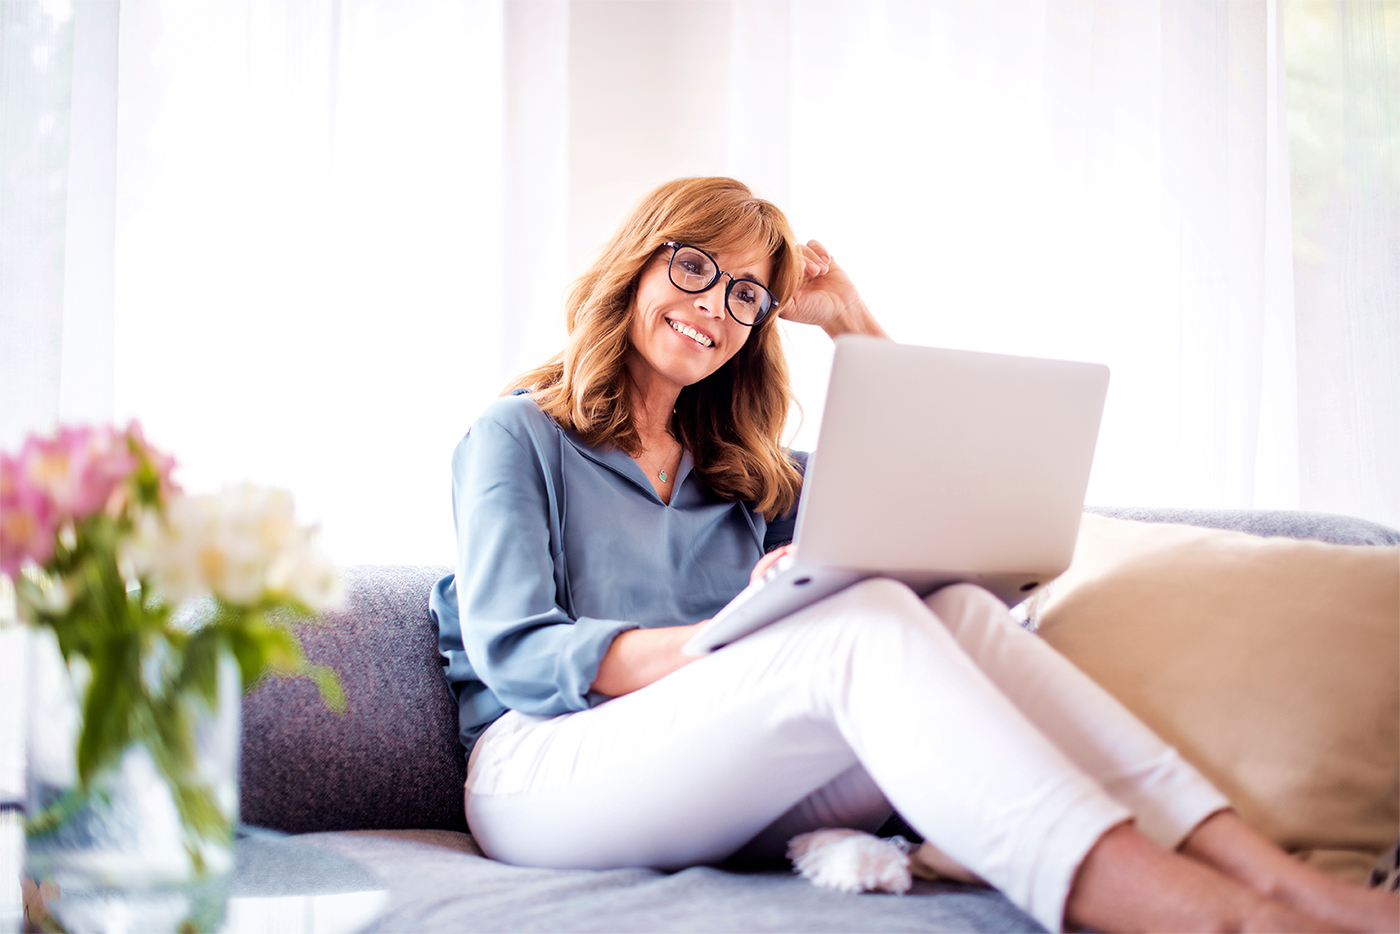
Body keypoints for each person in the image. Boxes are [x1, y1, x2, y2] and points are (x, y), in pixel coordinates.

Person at [430, 177, 1398, 933]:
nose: (713, 307)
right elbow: (518, 654)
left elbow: (931, 486)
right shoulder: (516, 436)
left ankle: (1280, 880)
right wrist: (725, 640)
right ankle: (1197, 910)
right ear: (636, 265)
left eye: (745, 295)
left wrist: (848, 318)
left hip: (700, 778)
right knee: (853, 629)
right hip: (540, 776)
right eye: (691, 268)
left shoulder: (748, 470)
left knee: (957, 612)